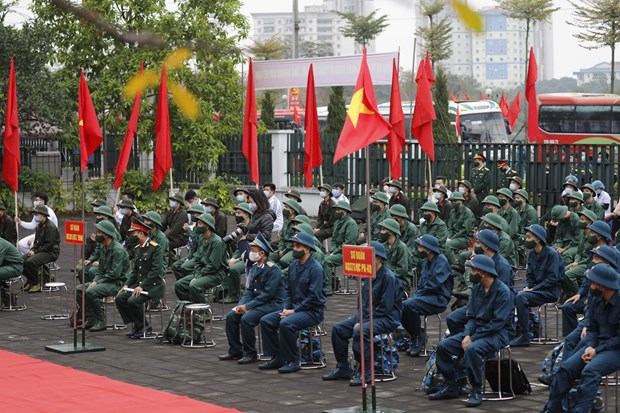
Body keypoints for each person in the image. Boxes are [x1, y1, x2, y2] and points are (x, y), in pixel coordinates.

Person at [429, 254, 514, 407]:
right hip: (478, 330)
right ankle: (451, 384)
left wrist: (473, 337)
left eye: (474, 270)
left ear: (484, 272)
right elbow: (472, 316)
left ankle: (476, 390)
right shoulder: (477, 288)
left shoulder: (503, 292)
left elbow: (497, 323)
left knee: (472, 349)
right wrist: (468, 334)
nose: (470, 274)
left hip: (498, 333)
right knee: (443, 347)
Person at [541, 264, 620, 413]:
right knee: (565, 368)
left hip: (615, 349)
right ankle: (553, 407)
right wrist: (590, 346)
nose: (590, 285)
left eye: (594, 282)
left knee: (590, 371)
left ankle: (581, 410)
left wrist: (596, 350)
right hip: (596, 346)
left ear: (603, 285)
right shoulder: (597, 300)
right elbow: (592, 329)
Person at [322, 242, 402, 386]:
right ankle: (343, 367)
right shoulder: (367, 275)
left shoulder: (388, 278)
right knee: (338, 329)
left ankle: (367, 373)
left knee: (360, 331)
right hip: (367, 315)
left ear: (378, 258)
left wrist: (363, 321)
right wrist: (360, 318)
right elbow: (364, 304)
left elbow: (385, 308)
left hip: (386, 318)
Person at [258, 232, 326, 373]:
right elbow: (287, 291)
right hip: (293, 309)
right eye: (293, 245)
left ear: (307, 248)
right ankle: (278, 356)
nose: (294, 248)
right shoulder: (294, 266)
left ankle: (293, 360)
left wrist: (293, 312)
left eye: (298, 245)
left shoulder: (316, 269)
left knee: (286, 323)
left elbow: (314, 298)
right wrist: (285, 309)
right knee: (266, 321)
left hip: (312, 311)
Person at [219, 233, 285, 365]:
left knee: (247, 319)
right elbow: (249, 290)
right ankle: (235, 350)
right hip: (258, 302)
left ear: (262, 253)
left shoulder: (273, 269)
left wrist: (248, 307)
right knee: (232, 316)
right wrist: (241, 305)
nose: (250, 252)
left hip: (272, 304)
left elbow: (267, 295)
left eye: (253, 249)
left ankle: (250, 353)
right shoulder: (255, 267)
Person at [447, 229, 515, 335]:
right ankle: (464, 344)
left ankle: (472, 343)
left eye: (478, 242)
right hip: (478, 304)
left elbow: (504, 296)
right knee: (452, 318)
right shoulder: (479, 261)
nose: (475, 245)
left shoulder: (503, 267)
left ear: (486, 246)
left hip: (494, 309)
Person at [510, 225, 564, 347]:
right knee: (512, 294)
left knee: (521, 298)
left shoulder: (552, 254)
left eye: (529, 237)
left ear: (538, 239)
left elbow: (553, 278)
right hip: (536, 290)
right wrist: (528, 286)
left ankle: (524, 336)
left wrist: (534, 289)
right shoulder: (532, 255)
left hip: (550, 291)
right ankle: (531, 324)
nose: (526, 239)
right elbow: (529, 276)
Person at [402, 234, 453, 356]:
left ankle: (419, 336)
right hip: (425, 297)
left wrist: (417, 297)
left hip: (438, 299)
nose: (418, 249)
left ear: (428, 249)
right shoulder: (426, 262)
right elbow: (421, 284)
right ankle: (416, 335)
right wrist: (417, 296)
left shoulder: (441, 261)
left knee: (408, 305)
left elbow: (432, 285)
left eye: (420, 247)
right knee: (401, 305)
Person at [76, 221, 130, 332]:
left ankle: (101, 321)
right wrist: (95, 280)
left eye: (99, 232)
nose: (96, 234)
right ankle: (91, 317)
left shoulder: (118, 250)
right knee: (79, 289)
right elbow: (100, 270)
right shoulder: (104, 247)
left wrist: (98, 282)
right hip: (107, 280)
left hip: (117, 283)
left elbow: (115, 274)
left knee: (91, 291)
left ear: (106, 234)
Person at [115, 219, 164, 338]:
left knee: (133, 301)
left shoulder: (155, 248)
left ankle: (144, 326)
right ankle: (138, 325)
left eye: (134, 233)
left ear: (141, 233)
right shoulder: (137, 248)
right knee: (120, 298)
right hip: (139, 285)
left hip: (152, 285)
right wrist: (126, 285)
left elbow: (155, 271)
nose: (132, 236)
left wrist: (142, 286)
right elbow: (135, 271)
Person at [224, 190, 275, 303]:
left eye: (252, 201)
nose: (250, 204)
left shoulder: (267, 216)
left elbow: (266, 235)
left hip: (260, 251)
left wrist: (248, 236)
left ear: (259, 201)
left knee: (253, 277)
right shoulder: (256, 215)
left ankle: (247, 297)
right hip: (251, 249)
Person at [175, 213, 226, 304]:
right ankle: (191, 307)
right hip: (202, 272)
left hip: (215, 274)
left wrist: (198, 276)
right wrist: (197, 274)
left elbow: (214, 266)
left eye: (200, 224)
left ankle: (203, 313)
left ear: (208, 226)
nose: (197, 226)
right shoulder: (202, 239)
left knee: (194, 285)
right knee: (179, 285)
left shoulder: (216, 242)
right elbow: (198, 259)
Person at [562, 216, 608, 300]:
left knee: (569, 274)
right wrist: (576, 262)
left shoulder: (606, 252)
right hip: (584, 266)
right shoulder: (593, 247)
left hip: (598, 292)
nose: (590, 235)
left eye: (592, 233)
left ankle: (577, 295)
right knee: (563, 270)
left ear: (599, 236)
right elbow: (581, 254)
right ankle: (570, 295)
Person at [22, 204, 60, 293]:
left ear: (43, 214)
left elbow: (49, 245)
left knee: (31, 262)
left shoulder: (51, 227)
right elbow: (36, 241)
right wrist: (32, 250)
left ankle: (37, 283)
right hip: (41, 250)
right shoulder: (39, 226)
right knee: (21, 261)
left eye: (36, 214)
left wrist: (35, 252)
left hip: (51, 252)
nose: (35, 216)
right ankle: (31, 280)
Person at [323, 201, 358, 295]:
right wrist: (333, 250)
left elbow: (349, 243)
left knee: (326, 261)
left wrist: (335, 251)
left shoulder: (351, 224)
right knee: (320, 258)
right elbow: (333, 239)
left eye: (339, 210)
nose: (336, 212)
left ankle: (328, 288)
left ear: (345, 211)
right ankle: (333, 281)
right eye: (336, 210)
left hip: (347, 252)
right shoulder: (337, 222)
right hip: (338, 251)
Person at [172, 204, 206, 281]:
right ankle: (182, 284)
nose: (192, 215)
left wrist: (188, 231)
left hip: (199, 255)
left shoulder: (203, 227)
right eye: (191, 214)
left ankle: (190, 282)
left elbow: (198, 241)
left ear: (199, 214)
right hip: (192, 254)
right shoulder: (195, 227)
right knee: (175, 266)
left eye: (193, 213)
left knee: (185, 267)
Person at [379, 218, 411, 293]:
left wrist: (386, 276)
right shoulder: (383, 246)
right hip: (386, 278)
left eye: (384, 229)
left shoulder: (402, 247)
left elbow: (402, 270)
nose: (381, 232)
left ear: (391, 232)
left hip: (400, 280)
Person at [445, 191, 475, 265]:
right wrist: (448, 237)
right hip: (455, 237)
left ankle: (454, 265)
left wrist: (452, 239)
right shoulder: (452, 212)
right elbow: (450, 227)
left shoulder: (467, 212)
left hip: (465, 238)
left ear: (461, 201)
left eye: (455, 201)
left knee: (448, 246)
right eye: (451, 201)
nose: (453, 202)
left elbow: (465, 230)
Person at [269, 199, 301, 268]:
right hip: (283, 248)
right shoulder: (286, 221)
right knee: (268, 258)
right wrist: (280, 249)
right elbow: (282, 238)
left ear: (292, 210)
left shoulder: (296, 223)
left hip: (292, 249)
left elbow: (293, 241)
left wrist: (284, 251)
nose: (284, 209)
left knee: (284, 261)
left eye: (286, 207)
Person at [162, 193, 189, 263]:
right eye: (171, 200)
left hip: (181, 237)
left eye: (173, 200)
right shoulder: (170, 213)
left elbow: (176, 229)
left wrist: (164, 237)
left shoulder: (182, 213)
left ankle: (172, 262)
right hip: (172, 237)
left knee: (164, 243)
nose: (171, 202)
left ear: (179, 203)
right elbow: (163, 225)